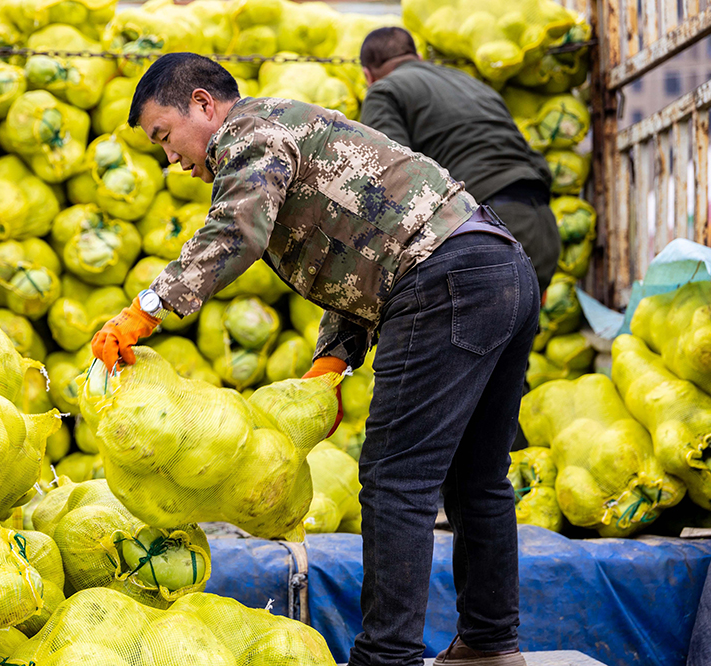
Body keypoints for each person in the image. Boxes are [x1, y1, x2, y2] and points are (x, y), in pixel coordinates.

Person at [91, 52, 538, 666]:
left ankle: (388, 657)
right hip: (498, 267)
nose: (171, 159)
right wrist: (332, 362)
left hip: (444, 282)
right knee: (475, 480)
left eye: (165, 137)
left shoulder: (249, 133)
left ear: (202, 104)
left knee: (394, 481)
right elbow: (360, 256)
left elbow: (234, 230)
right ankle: (490, 645)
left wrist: (148, 307)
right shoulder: (289, 131)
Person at [359, 27, 561, 293]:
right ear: (417, 56)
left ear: (367, 75)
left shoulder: (385, 90)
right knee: (513, 330)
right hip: (541, 227)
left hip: (486, 230)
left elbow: (393, 178)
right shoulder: (472, 83)